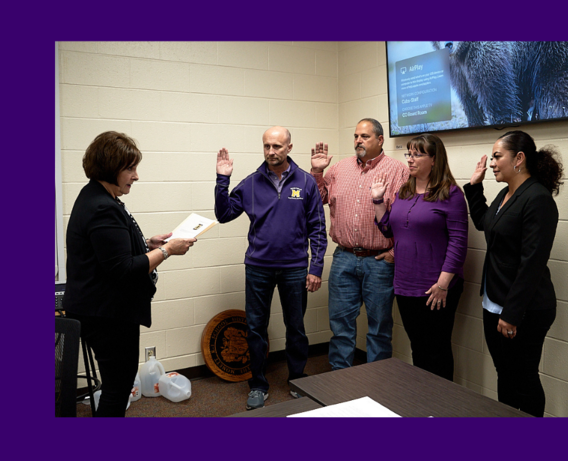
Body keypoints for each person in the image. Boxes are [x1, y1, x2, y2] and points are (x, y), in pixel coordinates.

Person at [64, 131, 196, 417]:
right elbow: (121, 269)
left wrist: (147, 245)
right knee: (118, 387)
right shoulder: (102, 207)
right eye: (130, 168)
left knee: (117, 384)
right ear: (111, 167)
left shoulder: (96, 196)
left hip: (100, 310)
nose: (136, 176)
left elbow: (109, 253)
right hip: (107, 315)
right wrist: (168, 251)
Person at [215, 126, 326, 410]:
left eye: (277, 146)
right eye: (266, 146)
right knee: (255, 329)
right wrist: (222, 181)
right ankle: (258, 384)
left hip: (295, 268)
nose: (271, 152)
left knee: (296, 328)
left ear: (289, 147)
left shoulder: (306, 181)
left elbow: (317, 228)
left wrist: (316, 267)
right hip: (258, 268)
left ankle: (298, 378)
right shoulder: (251, 182)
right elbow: (224, 214)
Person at [464, 130, 560, 417]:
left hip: (523, 308)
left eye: (497, 156)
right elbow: (484, 223)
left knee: (524, 377)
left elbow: (532, 262)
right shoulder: (507, 194)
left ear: (519, 158)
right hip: (495, 299)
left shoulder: (538, 199)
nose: (492, 163)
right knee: (505, 374)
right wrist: (474, 187)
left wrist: (512, 313)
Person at [310, 119, 409, 370]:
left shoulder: (398, 171)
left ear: (380, 140)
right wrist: (317, 172)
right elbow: (317, 199)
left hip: (380, 261)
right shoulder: (339, 168)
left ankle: (377, 386)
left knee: (379, 327)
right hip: (344, 257)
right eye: (356, 136)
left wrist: (395, 252)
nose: (358, 141)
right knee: (340, 325)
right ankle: (339, 383)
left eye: (365, 136)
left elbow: (407, 216)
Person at [371, 134, 467, 380]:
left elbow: (458, 242)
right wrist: (378, 200)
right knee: (419, 348)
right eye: (409, 154)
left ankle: (442, 410)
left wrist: (443, 284)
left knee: (437, 350)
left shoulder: (451, 194)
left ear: (434, 160)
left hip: (436, 286)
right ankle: (424, 406)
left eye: (417, 154)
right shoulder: (404, 191)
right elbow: (390, 231)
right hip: (405, 284)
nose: (410, 160)